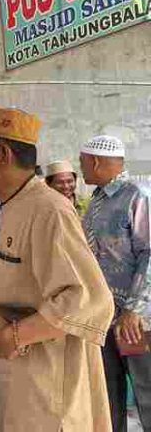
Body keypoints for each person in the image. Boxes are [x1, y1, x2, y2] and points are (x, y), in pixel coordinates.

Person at [0, 108, 114, 431]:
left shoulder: (49, 210)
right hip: (20, 380)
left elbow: (88, 298)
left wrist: (15, 336)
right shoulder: (13, 205)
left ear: (2, 154)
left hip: (48, 388)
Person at [80, 135, 151, 432]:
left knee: (146, 391)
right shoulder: (97, 199)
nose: (81, 168)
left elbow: (149, 254)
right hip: (103, 315)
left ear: (95, 161)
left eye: (82, 162)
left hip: (134, 322)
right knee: (107, 393)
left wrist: (133, 310)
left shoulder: (138, 196)